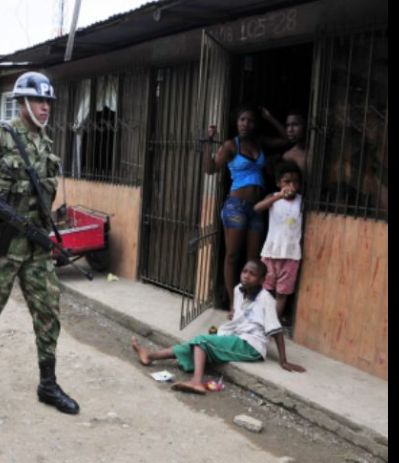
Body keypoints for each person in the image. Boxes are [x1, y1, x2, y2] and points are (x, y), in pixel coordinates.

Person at [0, 71, 80, 415]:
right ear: (21, 102)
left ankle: (47, 384)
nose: (44, 107)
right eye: (37, 100)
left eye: (48, 102)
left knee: (48, 309)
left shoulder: (45, 143)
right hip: (3, 242)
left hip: (36, 244)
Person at [131, 260, 306, 394]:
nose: (246, 276)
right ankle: (150, 356)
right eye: (244, 271)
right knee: (195, 344)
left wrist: (283, 360)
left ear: (262, 279)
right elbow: (239, 314)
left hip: (251, 345)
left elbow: (276, 330)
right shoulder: (239, 289)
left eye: (252, 274)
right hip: (236, 336)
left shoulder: (266, 299)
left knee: (202, 341)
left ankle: (197, 382)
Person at [207, 106, 288, 317]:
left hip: (256, 207)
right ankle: (234, 305)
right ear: (237, 122)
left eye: (250, 120)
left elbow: (285, 139)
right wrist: (208, 143)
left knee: (253, 259)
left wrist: (269, 116)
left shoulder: (259, 143)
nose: (245, 124)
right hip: (236, 206)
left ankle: (249, 302)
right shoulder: (230, 146)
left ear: (255, 124)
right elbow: (210, 169)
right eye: (242, 119)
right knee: (233, 255)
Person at [254, 161, 303, 324]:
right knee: (265, 289)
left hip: (291, 256)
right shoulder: (273, 198)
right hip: (271, 252)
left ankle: (271, 324)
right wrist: (279, 196)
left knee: (282, 293)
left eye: (295, 181)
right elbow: (257, 208)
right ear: (278, 183)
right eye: (287, 181)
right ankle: (260, 320)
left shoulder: (302, 202)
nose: (292, 185)